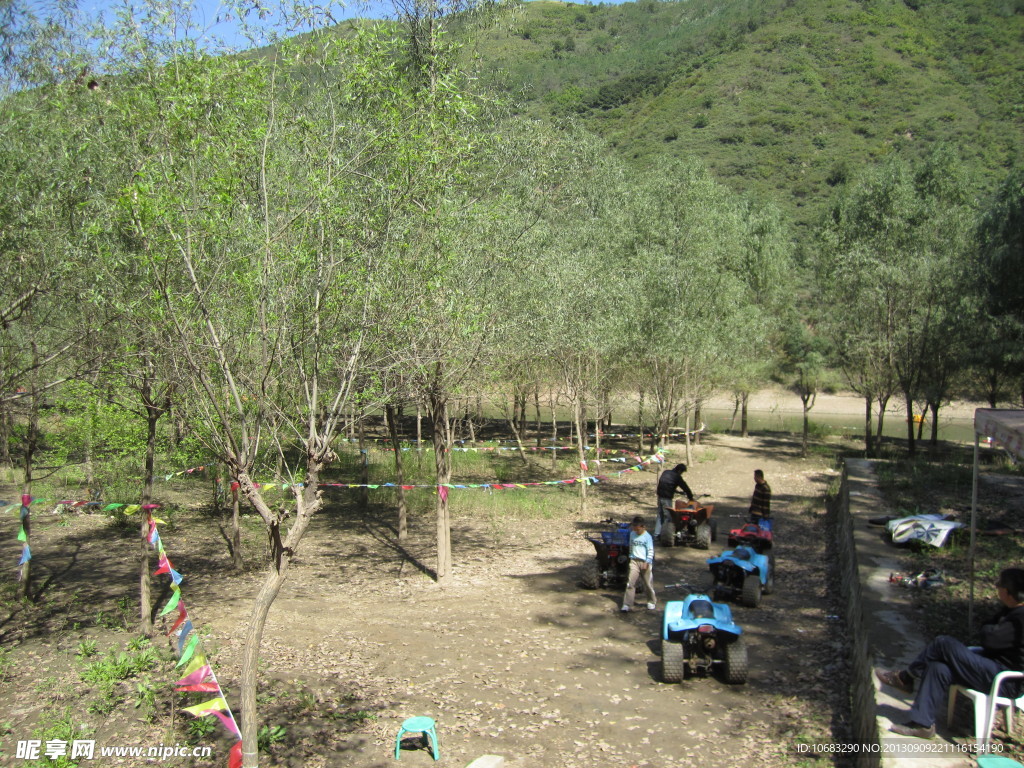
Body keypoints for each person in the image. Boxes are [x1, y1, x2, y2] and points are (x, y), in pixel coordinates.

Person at [875, 567, 1024, 739]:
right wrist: (989, 628)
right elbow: (988, 633)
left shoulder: (1020, 618)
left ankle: (906, 677)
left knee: (943, 643)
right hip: (990, 666)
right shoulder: (1010, 610)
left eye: (999, 585)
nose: (997, 588)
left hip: (1005, 680)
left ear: (1007, 591)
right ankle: (923, 723)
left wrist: (989, 629)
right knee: (938, 667)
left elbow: (988, 639)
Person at [621, 516, 656, 612]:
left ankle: (651, 601)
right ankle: (627, 604)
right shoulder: (632, 534)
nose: (635, 528)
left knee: (648, 583)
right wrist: (631, 557)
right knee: (630, 583)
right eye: (633, 526)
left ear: (642, 527)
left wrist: (647, 562)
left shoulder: (647, 537)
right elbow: (631, 546)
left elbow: (650, 550)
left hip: (644, 562)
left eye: (636, 527)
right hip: (634, 561)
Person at [656, 463, 694, 538]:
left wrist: (676, 491)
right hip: (667, 498)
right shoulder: (677, 477)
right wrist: (691, 497)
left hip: (659, 496)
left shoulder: (666, 472)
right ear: (679, 470)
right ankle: (665, 535)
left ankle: (657, 534)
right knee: (668, 517)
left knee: (660, 515)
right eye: (682, 472)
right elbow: (685, 487)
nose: (681, 474)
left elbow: (666, 484)